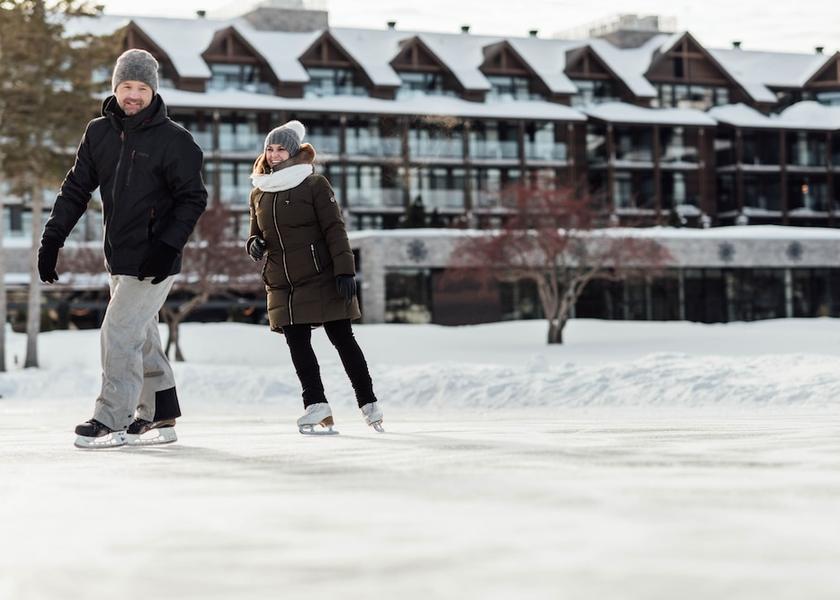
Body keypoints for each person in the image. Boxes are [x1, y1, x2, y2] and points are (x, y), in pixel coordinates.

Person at [37, 49, 208, 448]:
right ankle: (161, 413)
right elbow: (76, 189)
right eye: (126, 86)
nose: (133, 95)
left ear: (153, 91)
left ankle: (111, 417)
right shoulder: (99, 132)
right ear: (115, 87)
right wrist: (53, 238)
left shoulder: (176, 141)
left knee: (119, 332)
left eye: (142, 88)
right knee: (141, 335)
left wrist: (167, 247)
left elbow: (192, 199)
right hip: (120, 256)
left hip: (156, 258)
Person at [246, 120, 384, 435]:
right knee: (297, 343)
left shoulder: (313, 184)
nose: (274, 154)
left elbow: (334, 228)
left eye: (281, 148)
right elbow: (256, 233)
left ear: (294, 153)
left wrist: (345, 269)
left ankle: (368, 401)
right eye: (270, 148)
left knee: (342, 338)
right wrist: (253, 244)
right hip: (282, 281)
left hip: (320, 275)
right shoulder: (259, 192)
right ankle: (316, 405)